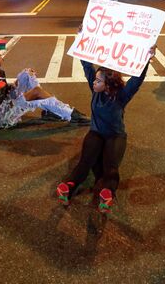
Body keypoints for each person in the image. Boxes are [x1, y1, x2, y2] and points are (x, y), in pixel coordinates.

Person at [55, 44, 156, 214]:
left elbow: (136, 80)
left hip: (115, 136)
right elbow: (87, 66)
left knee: (110, 168)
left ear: (108, 84)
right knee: (85, 162)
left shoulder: (121, 95)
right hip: (96, 133)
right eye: (95, 80)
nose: (94, 82)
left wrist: (147, 58)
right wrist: (83, 39)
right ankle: (68, 187)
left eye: (98, 81)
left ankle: (107, 193)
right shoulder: (95, 90)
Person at [0, 42, 90, 128]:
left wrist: (11, 87)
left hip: (6, 104)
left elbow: (1, 92)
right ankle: (69, 113)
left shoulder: (0, 72)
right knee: (36, 92)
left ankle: (51, 110)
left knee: (27, 73)